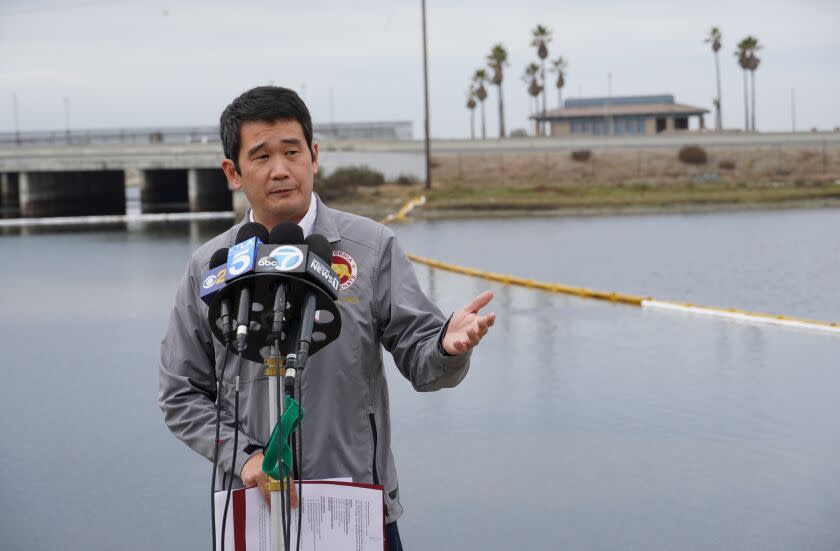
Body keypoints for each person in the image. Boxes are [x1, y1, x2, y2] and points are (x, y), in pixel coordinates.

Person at [158, 86, 495, 550]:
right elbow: (180, 393)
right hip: (256, 513)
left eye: (292, 151)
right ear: (233, 172)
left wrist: (445, 348)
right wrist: (244, 460)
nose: (280, 169)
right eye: (261, 156)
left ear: (313, 156)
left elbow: (425, 365)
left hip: (356, 512)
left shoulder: (371, 248)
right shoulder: (209, 267)